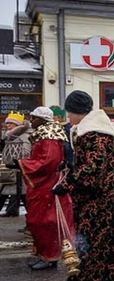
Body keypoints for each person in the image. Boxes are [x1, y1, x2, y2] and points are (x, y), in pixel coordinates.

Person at [36, 90, 114, 281]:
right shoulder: (91, 132)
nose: (68, 116)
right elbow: (90, 165)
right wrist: (68, 169)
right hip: (102, 199)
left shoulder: (93, 134)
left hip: (96, 203)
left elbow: (93, 169)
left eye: (69, 112)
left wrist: (66, 184)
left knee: (86, 248)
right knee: (105, 247)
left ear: (76, 111)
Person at [12, 107, 74, 270]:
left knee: (44, 221)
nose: (31, 121)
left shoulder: (49, 137)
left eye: (34, 118)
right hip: (44, 183)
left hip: (46, 185)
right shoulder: (46, 133)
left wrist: (21, 163)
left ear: (42, 119)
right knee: (39, 219)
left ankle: (49, 256)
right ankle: (43, 254)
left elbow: (47, 162)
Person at [0, 111, 30, 217]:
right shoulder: (10, 136)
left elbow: (26, 151)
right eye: (7, 123)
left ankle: (31, 216)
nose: (7, 126)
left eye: (10, 123)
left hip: (19, 168)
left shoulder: (24, 136)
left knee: (20, 191)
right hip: (10, 169)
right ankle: (12, 210)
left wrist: (18, 161)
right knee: (10, 189)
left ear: (17, 125)